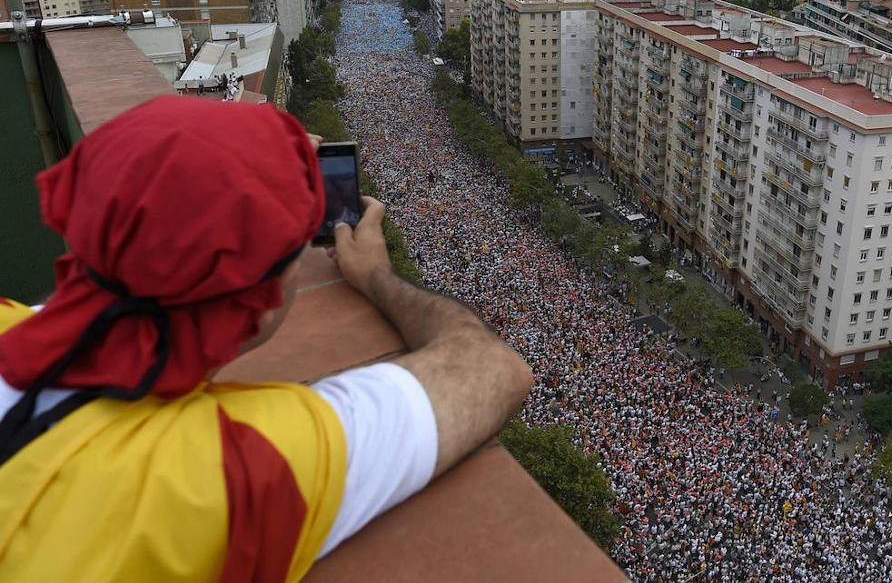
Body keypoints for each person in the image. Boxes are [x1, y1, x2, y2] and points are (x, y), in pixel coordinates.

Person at [0, 96, 533, 581]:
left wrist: (245, 166)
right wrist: (375, 276)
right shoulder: (228, 476)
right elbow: (490, 369)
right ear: (259, 303)